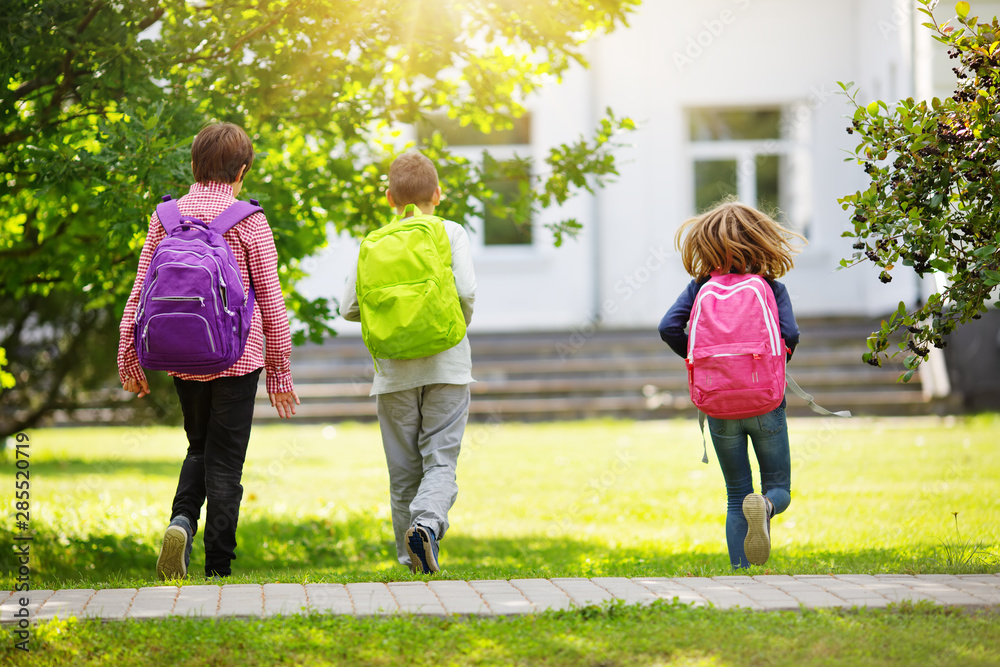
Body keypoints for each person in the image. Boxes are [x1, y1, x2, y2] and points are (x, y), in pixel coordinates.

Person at [117, 122, 300, 579]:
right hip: (238, 358)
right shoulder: (249, 220)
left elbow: (140, 291)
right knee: (227, 463)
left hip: (181, 354)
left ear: (194, 165)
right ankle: (218, 570)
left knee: (198, 448)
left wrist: (129, 356)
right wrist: (280, 374)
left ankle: (181, 523)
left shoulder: (166, 217)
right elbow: (272, 303)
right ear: (242, 170)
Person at [340, 151, 476, 574]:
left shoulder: (374, 242)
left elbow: (347, 307)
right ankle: (427, 526)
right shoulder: (450, 231)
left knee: (403, 473)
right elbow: (467, 294)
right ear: (438, 193)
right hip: (448, 366)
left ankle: (411, 561)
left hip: (394, 371)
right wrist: (449, 329)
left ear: (388, 198)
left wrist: (393, 320)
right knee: (440, 460)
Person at [658, 200, 805, 568]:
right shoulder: (771, 288)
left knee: (736, 492)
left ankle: (741, 576)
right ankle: (767, 505)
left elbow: (667, 329)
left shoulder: (699, 288)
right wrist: (770, 367)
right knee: (778, 486)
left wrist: (702, 363)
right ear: (761, 242)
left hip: (718, 404)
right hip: (767, 403)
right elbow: (790, 334)